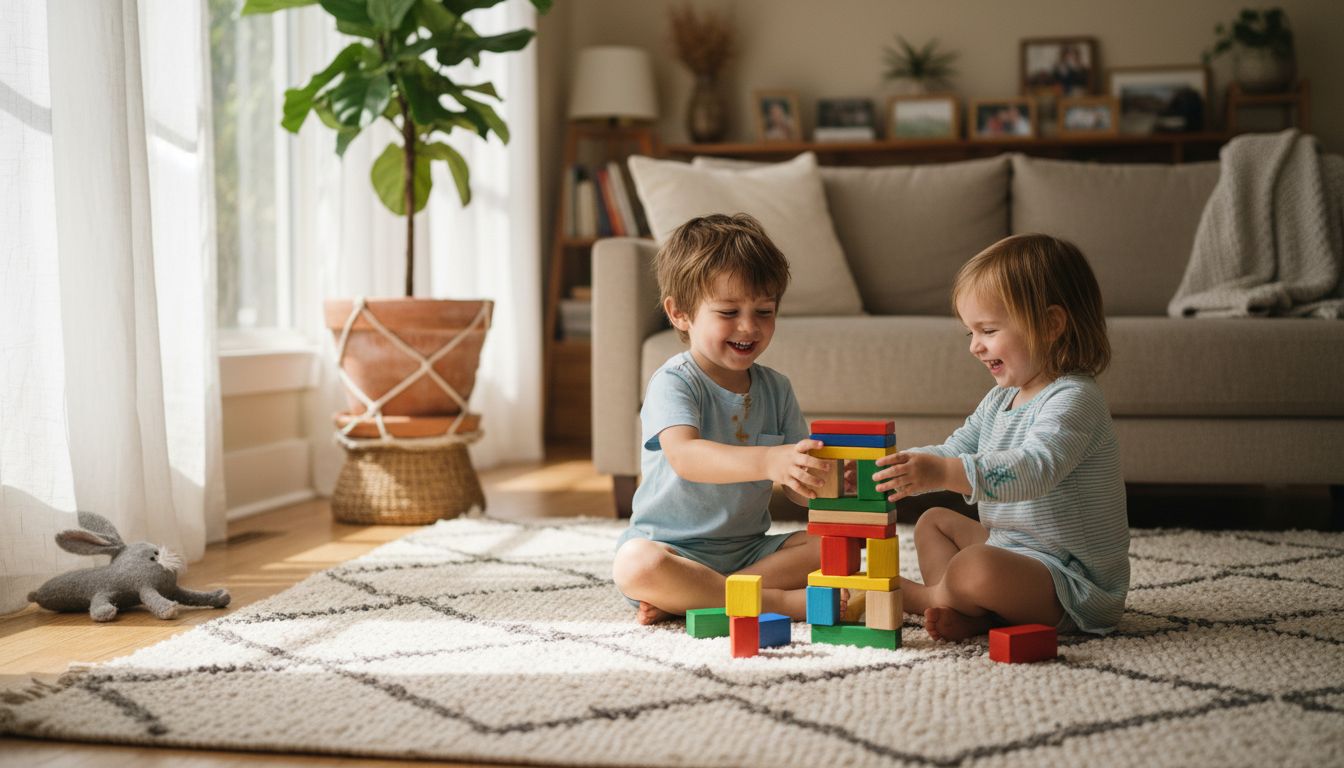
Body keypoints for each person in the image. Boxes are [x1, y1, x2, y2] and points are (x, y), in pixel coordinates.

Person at [872, 233, 1129, 641]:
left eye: (988, 330)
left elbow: (1034, 470)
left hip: (1068, 580)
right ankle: (972, 611)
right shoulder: (1000, 399)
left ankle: (927, 597)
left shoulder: (1075, 399)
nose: (975, 346)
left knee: (977, 567)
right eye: (970, 333)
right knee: (933, 522)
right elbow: (955, 449)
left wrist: (941, 473)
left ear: (1050, 325)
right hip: (1011, 548)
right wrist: (896, 468)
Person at [612, 213, 826, 625]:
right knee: (635, 565)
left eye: (764, 311)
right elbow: (686, 457)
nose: (749, 326)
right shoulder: (673, 382)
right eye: (728, 312)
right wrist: (768, 461)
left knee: (834, 546)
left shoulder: (776, 387)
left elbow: (801, 492)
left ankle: (700, 596)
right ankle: (772, 602)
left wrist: (820, 479)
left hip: (748, 550)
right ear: (680, 314)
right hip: (673, 550)